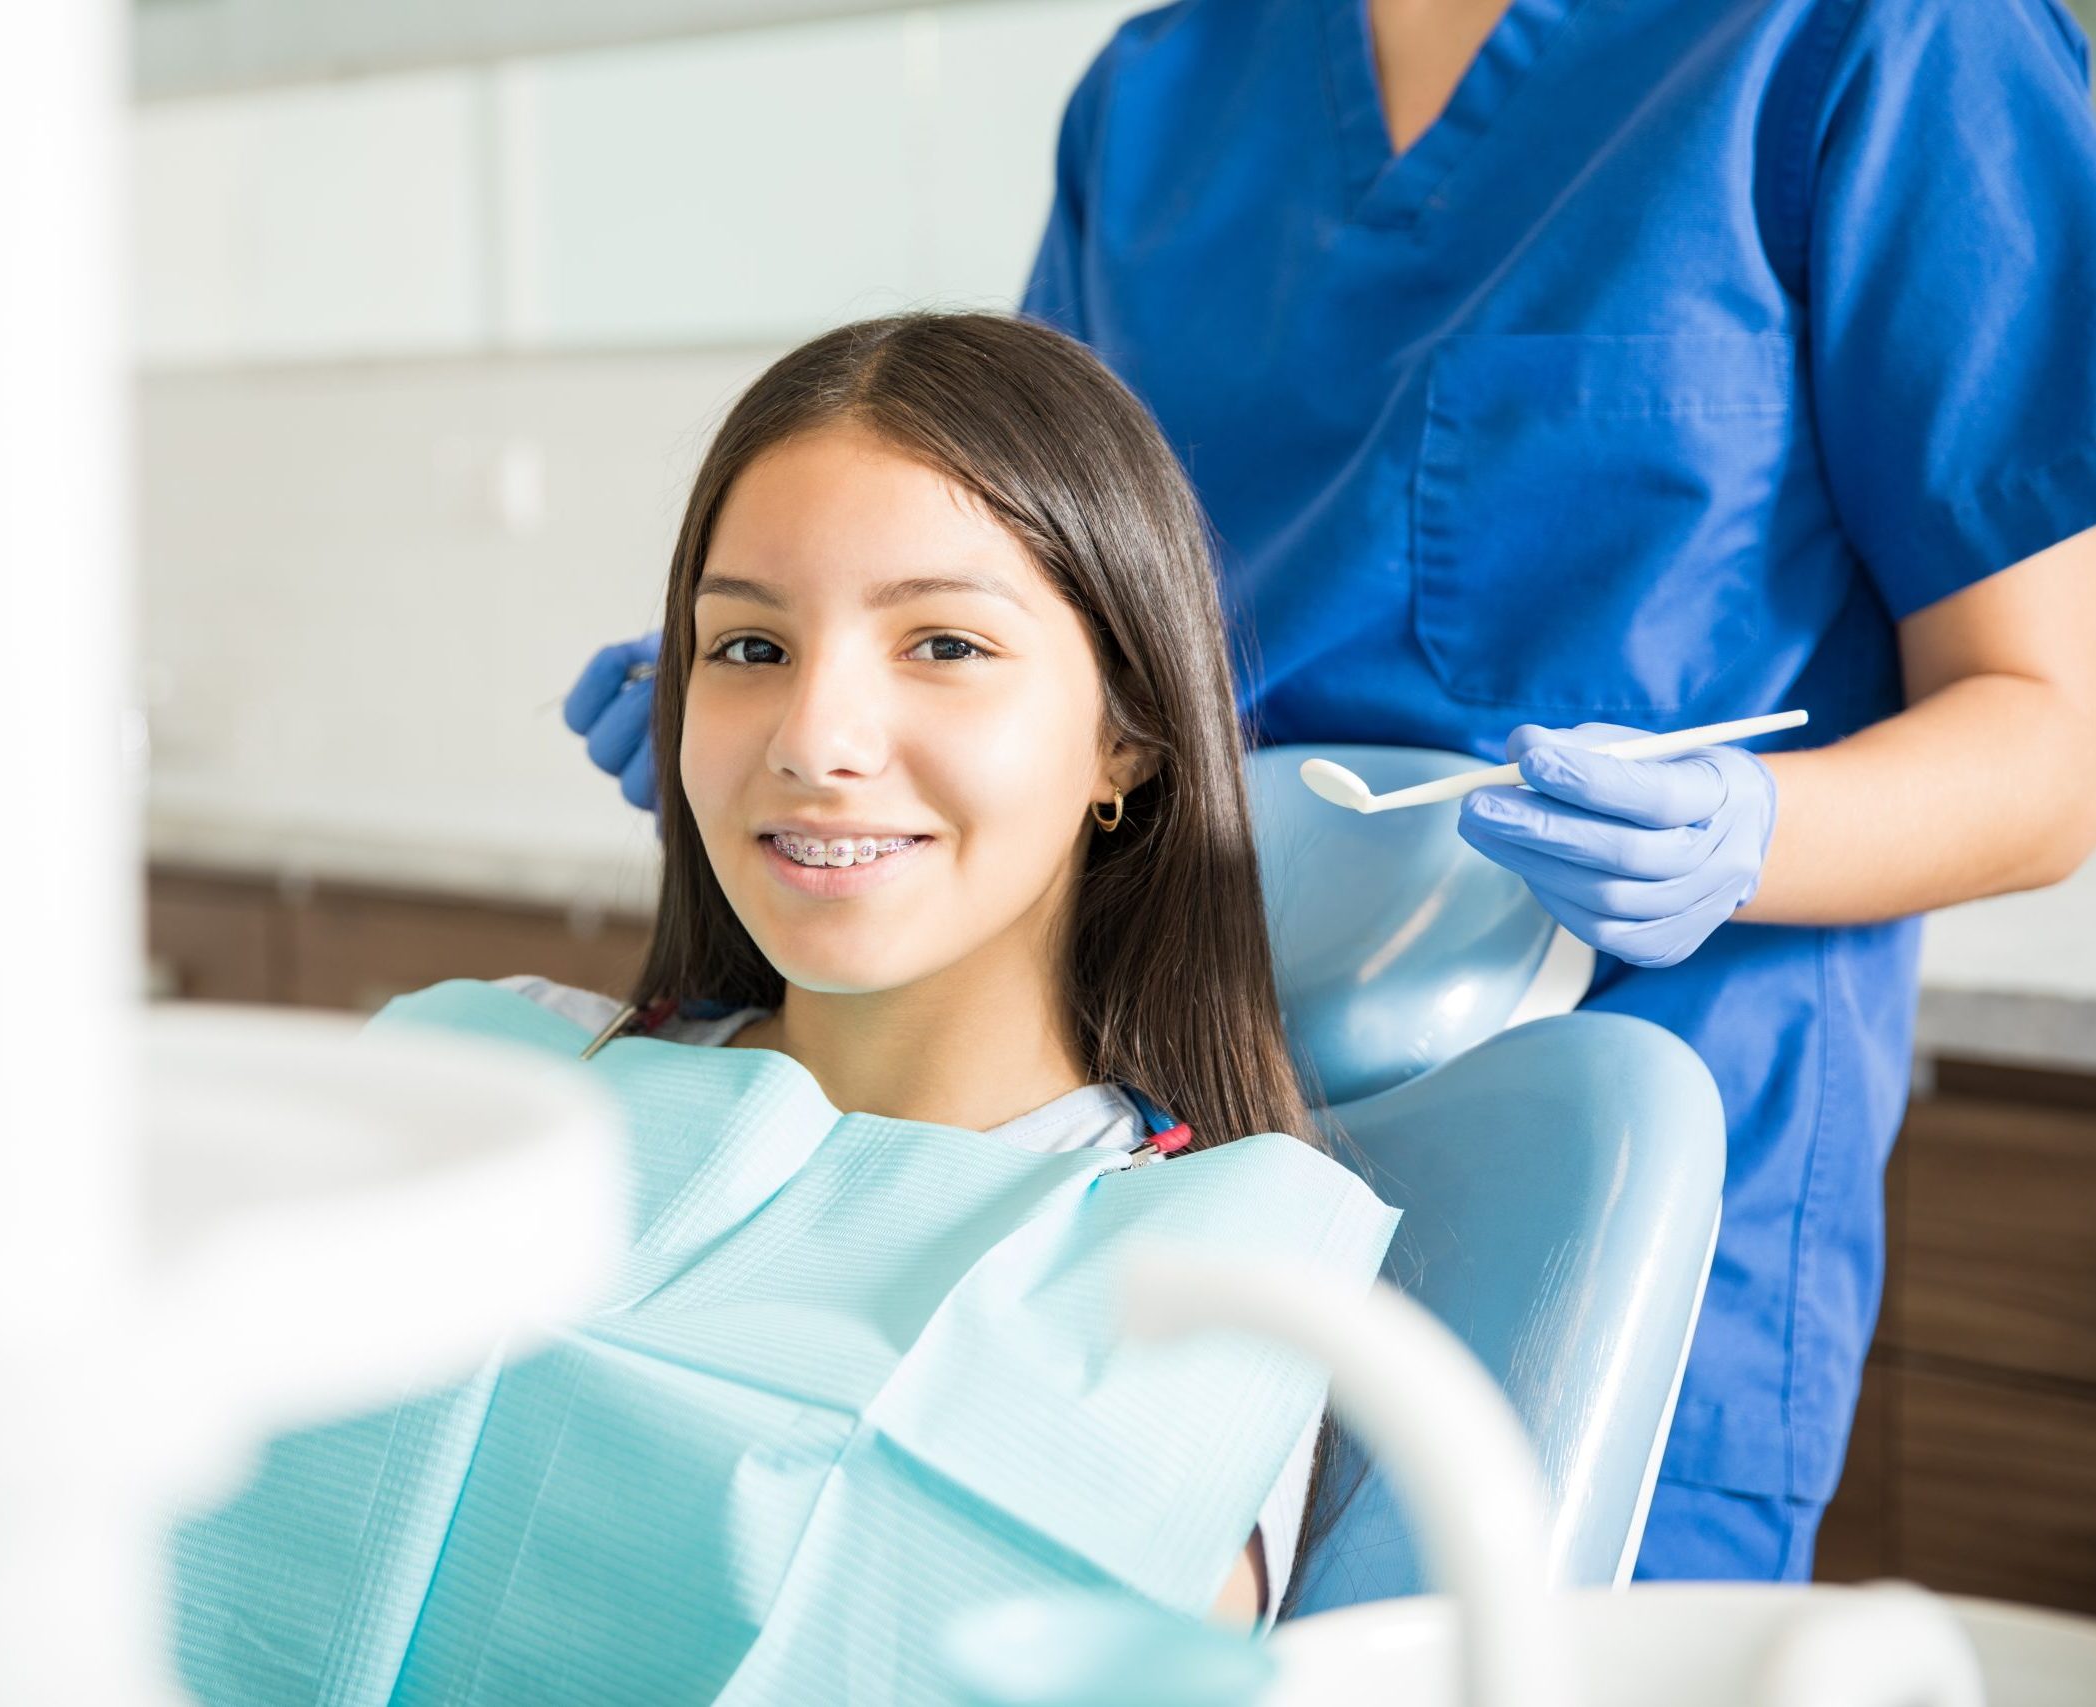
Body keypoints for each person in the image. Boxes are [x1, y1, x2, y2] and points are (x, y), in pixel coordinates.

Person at [571, 0, 2096, 1585]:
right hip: (1125, 1138)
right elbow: (1015, 572)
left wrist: (1759, 833)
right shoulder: (1161, 93)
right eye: (738, 643)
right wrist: (820, 699)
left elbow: (2051, 738)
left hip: (1615, 1157)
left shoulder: (1886, 42)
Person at [172, 313, 1399, 1707]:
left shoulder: (1192, 1286)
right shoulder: (488, 1076)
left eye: (941, 644)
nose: (815, 738)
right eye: (748, 649)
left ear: (1123, 731)